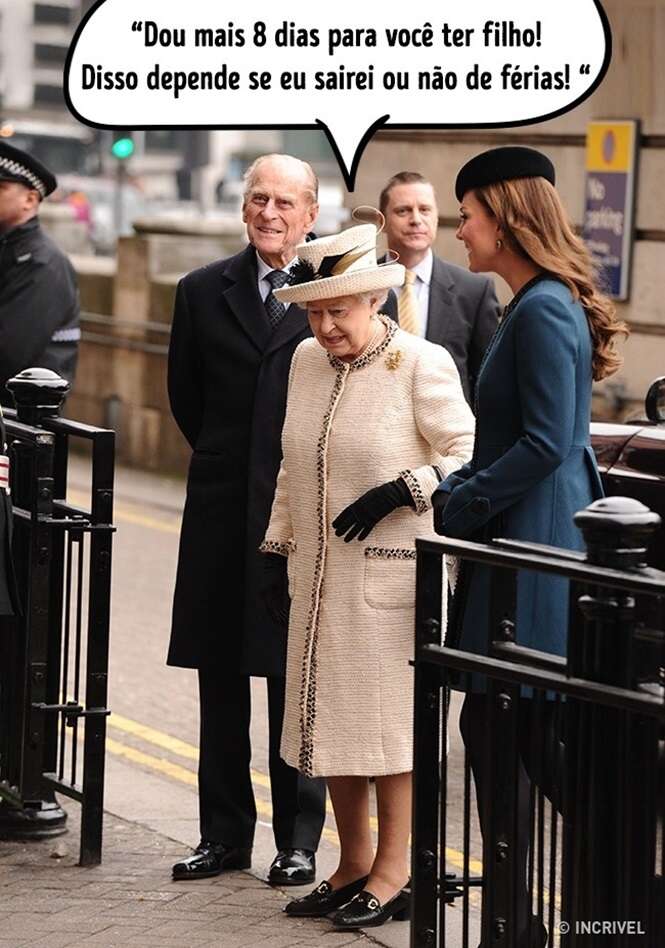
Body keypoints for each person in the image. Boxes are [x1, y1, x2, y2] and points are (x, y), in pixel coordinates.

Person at [432, 146, 628, 945]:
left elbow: (548, 441)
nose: (459, 230)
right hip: (520, 540)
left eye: (469, 214)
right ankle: (537, 914)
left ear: (507, 220)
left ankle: (572, 910)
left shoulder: (543, 307)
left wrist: (464, 499)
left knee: (505, 727)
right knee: (507, 731)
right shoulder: (532, 302)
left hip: (534, 550)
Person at [260, 220, 475, 929]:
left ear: (373, 303)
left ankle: (395, 871)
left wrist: (404, 489)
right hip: (317, 578)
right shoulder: (302, 362)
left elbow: (468, 452)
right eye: (315, 312)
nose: (324, 327)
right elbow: (293, 463)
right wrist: (278, 543)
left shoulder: (419, 362)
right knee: (330, 727)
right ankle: (351, 864)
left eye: (338, 311)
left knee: (389, 736)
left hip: (390, 580)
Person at [167, 154, 327, 886]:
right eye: (258, 198)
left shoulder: (334, 295)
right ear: (242, 208)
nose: (269, 212)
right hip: (221, 513)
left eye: (284, 202)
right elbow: (187, 400)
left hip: (300, 517)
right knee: (221, 678)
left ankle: (297, 841)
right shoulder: (201, 291)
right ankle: (223, 835)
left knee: (294, 682)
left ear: (310, 215)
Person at [379, 171, 500, 405]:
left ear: (436, 217)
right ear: (382, 221)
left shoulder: (474, 290)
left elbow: (488, 378)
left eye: (424, 210)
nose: (415, 219)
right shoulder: (358, 284)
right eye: (403, 211)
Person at [0, 141, 80, 407]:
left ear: (30, 199)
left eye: (1, 188)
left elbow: (9, 354)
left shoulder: (44, 264)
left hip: (22, 430)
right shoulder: (10, 251)